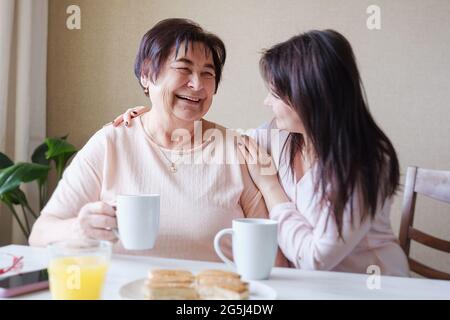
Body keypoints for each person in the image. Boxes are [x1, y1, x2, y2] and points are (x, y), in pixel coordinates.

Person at [118, 30, 409, 276]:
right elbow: (227, 142)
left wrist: (271, 189)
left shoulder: (365, 164)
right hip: (309, 288)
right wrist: (156, 119)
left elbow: (315, 260)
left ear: (309, 95)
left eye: (275, 93)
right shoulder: (280, 138)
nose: (266, 102)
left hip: (368, 286)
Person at [29, 18, 288, 266]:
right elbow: (40, 234)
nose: (197, 84)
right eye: (183, 69)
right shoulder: (111, 141)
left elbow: (273, 258)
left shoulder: (236, 150)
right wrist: (79, 229)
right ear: (146, 75)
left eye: (207, 73)